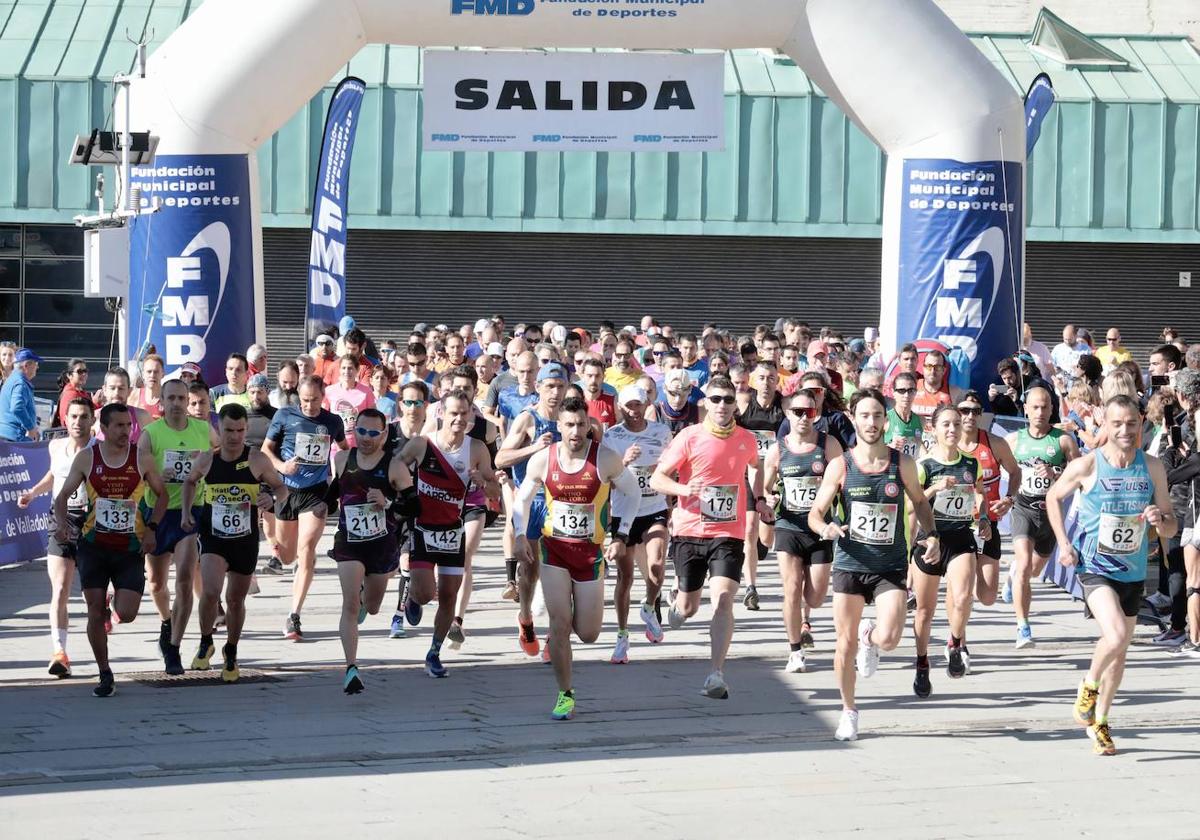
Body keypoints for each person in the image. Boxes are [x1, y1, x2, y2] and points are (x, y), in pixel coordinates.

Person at [807, 388, 939, 741]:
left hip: (889, 565)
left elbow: (921, 504)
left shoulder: (902, 464)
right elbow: (815, 514)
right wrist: (826, 528)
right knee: (843, 643)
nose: (871, 422)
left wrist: (932, 535)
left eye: (877, 415)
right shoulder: (841, 466)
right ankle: (849, 711)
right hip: (850, 562)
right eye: (864, 415)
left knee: (892, 638)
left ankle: (872, 635)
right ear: (853, 417)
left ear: (885, 419)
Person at [1048, 394, 1175, 755]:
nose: (1124, 430)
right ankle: (1088, 686)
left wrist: (1159, 520)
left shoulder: (1152, 467)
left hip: (1132, 572)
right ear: (1105, 425)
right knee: (1116, 634)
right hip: (1095, 568)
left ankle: (1100, 722)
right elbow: (1053, 498)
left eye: (1131, 424)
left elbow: (1169, 526)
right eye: (1117, 423)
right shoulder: (1088, 465)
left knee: (1119, 651)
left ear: (1140, 426)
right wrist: (1063, 542)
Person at [514, 396, 638, 719]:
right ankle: (565, 693)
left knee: (588, 633)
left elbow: (633, 492)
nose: (575, 431)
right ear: (558, 426)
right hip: (554, 548)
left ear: (589, 425)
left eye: (581, 424)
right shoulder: (543, 459)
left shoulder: (605, 459)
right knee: (559, 623)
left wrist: (621, 535)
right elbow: (522, 499)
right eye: (569, 424)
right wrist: (518, 534)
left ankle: (573, 621)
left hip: (590, 554)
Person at [650, 375, 769, 700]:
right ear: (705, 403)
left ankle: (716, 673)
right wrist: (684, 488)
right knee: (689, 608)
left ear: (735, 404)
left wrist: (758, 498)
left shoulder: (746, 438)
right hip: (690, 530)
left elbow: (756, 466)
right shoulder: (689, 437)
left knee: (724, 600)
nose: (721, 405)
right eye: (715, 399)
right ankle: (678, 604)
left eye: (728, 400)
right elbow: (658, 478)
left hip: (728, 533)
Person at [53, 402, 168, 697]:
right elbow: (63, 496)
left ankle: (114, 597)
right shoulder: (87, 457)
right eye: (118, 426)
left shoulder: (141, 458)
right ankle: (105, 672)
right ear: (102, 429)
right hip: (93, 545)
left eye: (128, 426)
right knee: (94, 610)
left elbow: (162, 495)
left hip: (130, 547)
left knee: (127, 613)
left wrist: (152, 529)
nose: (125, 431)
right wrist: (63, 524)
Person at [181, 404, 287, 681]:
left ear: (246, 429)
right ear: (219, 429)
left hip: (245, 540)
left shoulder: (257, 460)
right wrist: (186, 513)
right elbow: (190, 482)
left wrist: (271, 499)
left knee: (236, 600)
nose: (234, 436)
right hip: (213, 537)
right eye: (229, 430)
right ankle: (206, 641)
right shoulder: (208, 459)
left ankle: (231, 650)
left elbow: (281, 487)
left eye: (240, 430)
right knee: (211, 591)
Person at [397, 390, 500, 678]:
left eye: (463, 413)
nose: (458, 418)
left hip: (452, 532)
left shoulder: (476, 448)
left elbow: (496, 493)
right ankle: (412, 598)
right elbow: (396, 466)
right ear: (441, 413)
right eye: (453, 413)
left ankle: (434, 652)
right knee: (426, 592)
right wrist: (400, 492)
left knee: (448, 597)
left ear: (470, 416)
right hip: (422, 529)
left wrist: (483, 482)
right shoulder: (423, 444)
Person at [326, 408, 414, 693]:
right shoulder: (342, 459)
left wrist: (387, 503)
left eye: (373, 433)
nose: (365, 438)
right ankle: (351, 667)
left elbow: (415, 507)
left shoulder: (394, 466)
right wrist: (317, 505)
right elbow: (330, 498)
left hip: (382, 546)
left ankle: (367, 598)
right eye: (361, 431)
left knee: (372, 607)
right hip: (349, 542)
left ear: (384, 434)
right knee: (349, 603)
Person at [137, 378, 219, 674]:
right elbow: (139, 470)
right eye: (169, 398)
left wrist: (205, 466)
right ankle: (166, 620)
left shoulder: (203, 429)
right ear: (161, 402)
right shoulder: (150, 434)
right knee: (156, 582)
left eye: (180, 398)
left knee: (184, 577)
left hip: (190, 510)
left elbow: (221, 456)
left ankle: (173, 648)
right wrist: (159, 473)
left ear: (187, 401)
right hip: (158, 512)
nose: (175, 404)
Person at [910, 405, 991, 697]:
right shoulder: (924, 465)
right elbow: (910, 505)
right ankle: (922, 664)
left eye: (957, 424)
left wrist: (982, 518)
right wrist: (934, 490)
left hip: (959, 537)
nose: (952, 430)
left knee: (962, 598)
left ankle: (955, 642)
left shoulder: (971, 464)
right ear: (934, 428)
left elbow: (980, 493)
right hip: (929, 539)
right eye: (946, 424)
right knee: (924, 611)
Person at [762, 388, 843, 673]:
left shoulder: (829, 445)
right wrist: (768, 497)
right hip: (789, 525)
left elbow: (843, 485)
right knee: (791, 589)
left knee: (816, 597)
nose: (803, 418)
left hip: (819, 527)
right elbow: (764, 485)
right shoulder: (778, 449)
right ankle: (795, 650)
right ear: (788, 413)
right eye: (797, 412)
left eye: (809, 412)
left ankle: (806, 621)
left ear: (816, 414)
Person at [262, 375, 349, 641]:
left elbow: (344, 449)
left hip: (316, 493)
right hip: (287, 490)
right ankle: (281, 552)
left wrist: (341, 477)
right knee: (288, 557)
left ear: (323, 396)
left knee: (307, 549)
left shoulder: (332, 421)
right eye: (305, 400)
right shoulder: (284, 416)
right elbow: (266, 450)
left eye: (314, 400)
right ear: (298, 397)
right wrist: (282, 467)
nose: (309, 405)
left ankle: (294, 614)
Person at [18, 397, 95, 677]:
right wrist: (33, 492)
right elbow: (54, 475)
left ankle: (106, 611)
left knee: (92, 591)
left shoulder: (97, 450)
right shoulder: (56, 446)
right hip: (60, 518)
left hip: (91, 521)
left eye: (83, 416)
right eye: (73, 416)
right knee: (60, 588)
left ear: (92, 420)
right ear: (66, 419)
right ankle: (59, 652)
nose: (77, 422)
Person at [496, 363, 568, 655]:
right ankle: (525, 617)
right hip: (532, 501)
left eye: (560, 386)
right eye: (549, 386)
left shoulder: (571, 419)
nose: (555, 392)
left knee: (562, 572)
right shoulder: (528, 419)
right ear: (538, 386)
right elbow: (501, 459)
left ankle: (555, 636)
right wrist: (533, 448)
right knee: (531, 570)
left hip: (564, 502)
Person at [1004, 385, 1080, 648]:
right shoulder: (1014, 441)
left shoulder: (1063, 441)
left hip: (1051, 514)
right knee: (1024, 565)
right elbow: (997, 469)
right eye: (1034, 407)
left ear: (1052, 409)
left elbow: (1080, 479)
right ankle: (1023, 627)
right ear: (1025, 409)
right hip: (1023, 508)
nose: (1039, 412)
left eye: (1044, 407)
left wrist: (1055, 475)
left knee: (1033, 570)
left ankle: (1013, 575)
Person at [603, 384, 673, 658]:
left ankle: (649, 605)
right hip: (624, 513)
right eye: (629, 405)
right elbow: (606, 476)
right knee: (626, 577)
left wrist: (668, 492)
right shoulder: (612, 436)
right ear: (621, 406)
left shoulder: (661, 432)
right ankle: (622, 635)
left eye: (638, 405)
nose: (633, 411)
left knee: (656, 567)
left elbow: (672, 467)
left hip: (653, 507)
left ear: (647, 405)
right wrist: (623, 461)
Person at [957, 390, 1020, 640]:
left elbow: (1015, 473)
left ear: (981, 415)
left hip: (987, 524)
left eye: (975, 411)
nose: (970, 416)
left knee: (987, 596)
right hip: (956, 525)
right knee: (961, 590)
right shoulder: (948, 445)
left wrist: (1009, 499)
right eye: (964, 410)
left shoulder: (995, 444)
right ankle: (958, 641)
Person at [737, 360, 786, 610]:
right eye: (762, 377)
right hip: (749, 475)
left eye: (771, 378)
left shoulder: (784, 406)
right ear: (754, 380)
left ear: (777, 381)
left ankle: (759, 548)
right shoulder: (744, 402)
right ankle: (751, 587)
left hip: (775, 477)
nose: (766, 383)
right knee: (749, 530)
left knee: (766, 540)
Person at [387, 380, 431, 638]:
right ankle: (362, 597)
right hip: (389, 507)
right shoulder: (389, 434)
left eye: (419, 402)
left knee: (408, 560)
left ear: (426, 405)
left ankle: (398, 615)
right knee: (381, 568)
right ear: (400, 404)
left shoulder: (432, 436)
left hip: (419, 508)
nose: (413, 408)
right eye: (408, 402)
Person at [323, 355, 376, 449]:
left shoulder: (366, 392)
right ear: (339, 370)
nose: (346, 371)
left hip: (358, 444)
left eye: (350, 368)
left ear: (357, 370)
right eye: (343, 368)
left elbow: (373, 419)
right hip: (336, 445)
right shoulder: (329, 391)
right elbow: (323, 416)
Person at [0, 347, 40, 441]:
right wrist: (31, 427)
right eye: (36, 364)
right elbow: (17, 407)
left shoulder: (12, 379)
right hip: (14, 438)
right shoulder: (20, 383)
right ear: (26, 365)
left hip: (7, 436)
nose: (37, 367)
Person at [884, 371, 923, 458]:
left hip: (913, 468)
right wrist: (890, 447)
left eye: (911, 390)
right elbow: (874, 450)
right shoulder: (886, 419)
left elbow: (923, 449)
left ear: (915, 392)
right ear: (893, 392)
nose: (906, 395)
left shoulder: (921, 420)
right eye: (901, 391)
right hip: (893, 468)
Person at [56, 359, 91, 426]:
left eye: (85, 371)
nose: (84, 374)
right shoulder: (71, 395)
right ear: (69, 375)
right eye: (79, 371)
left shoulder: (80, 391)